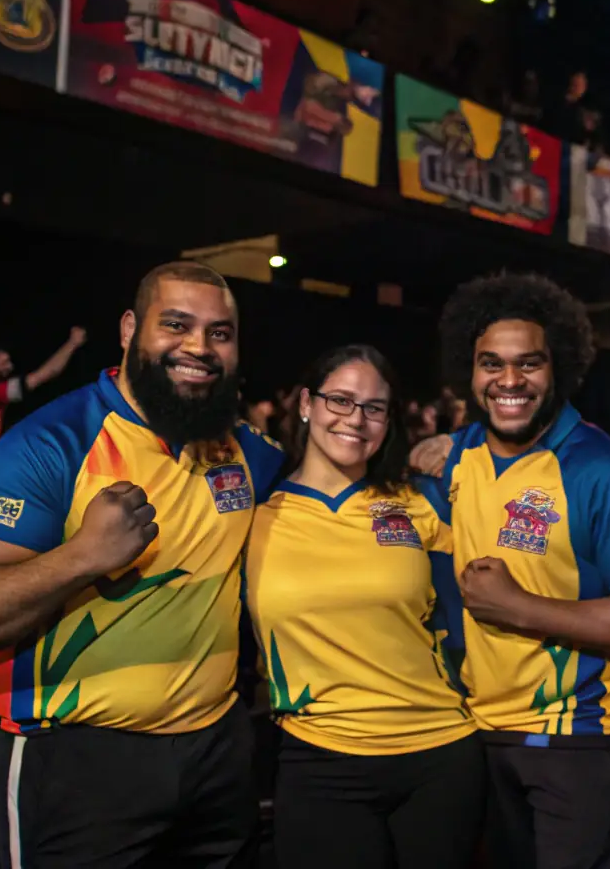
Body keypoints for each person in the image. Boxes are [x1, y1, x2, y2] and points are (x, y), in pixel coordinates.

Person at [0, 261, 284, 869]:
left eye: (219, 332)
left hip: (217, 755)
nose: (198, 346)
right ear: (128, 329)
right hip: (74, 761)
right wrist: (81, 557)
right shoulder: (50, 443)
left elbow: (333, 491)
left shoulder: (245, 448)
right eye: (176, 324)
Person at [415, 272, 610, 869]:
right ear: (469, 371)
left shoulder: (605, 472)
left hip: (574, 743)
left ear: (558, 368)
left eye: (529, 364)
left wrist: (518, 607)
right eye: (491, 364)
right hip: (477, 732)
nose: (509, 380)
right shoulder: (457, 456)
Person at [245, 344, 483, 869]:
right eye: (341, 400)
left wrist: (460, 441)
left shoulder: (418, 501)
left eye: (374, 407)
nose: (356, 419)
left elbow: (465, 617)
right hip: (320, 759)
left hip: (440, 755)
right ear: (306, 404)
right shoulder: (255, 514)